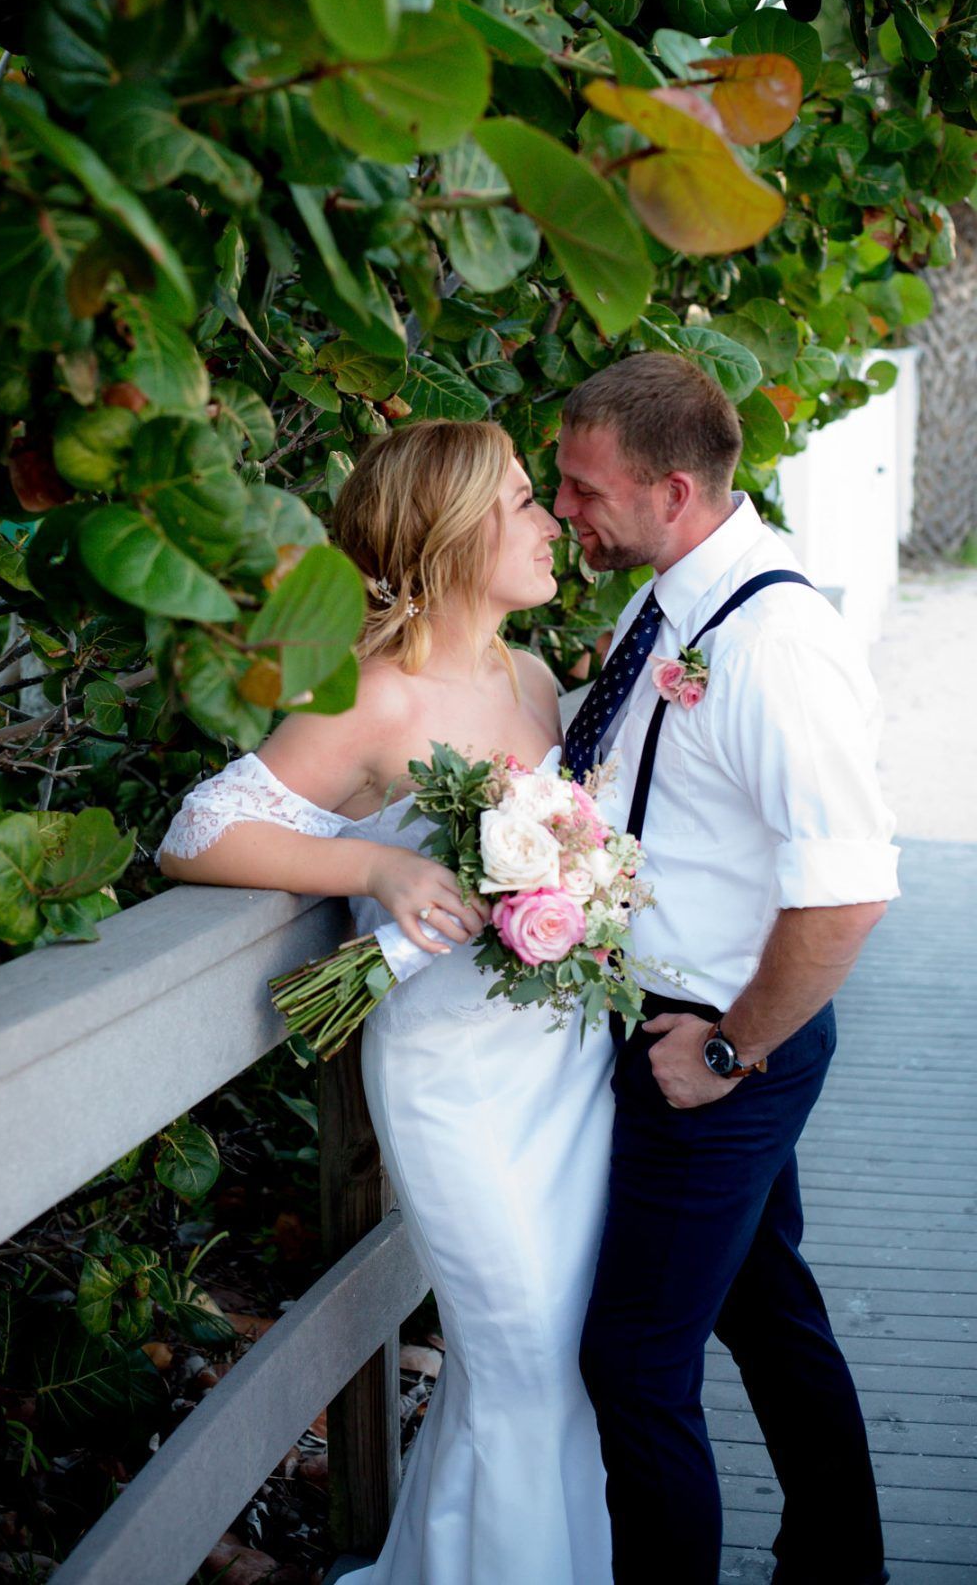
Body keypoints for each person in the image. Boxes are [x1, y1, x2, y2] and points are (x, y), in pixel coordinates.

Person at [157, 419, 615, 1584]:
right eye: (521, 501)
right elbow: (199, 831)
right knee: (515, 1358)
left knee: (544, 1364)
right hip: (451, 1081)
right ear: (455, 533)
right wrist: (376, 868)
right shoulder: (371, 695)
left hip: (566, 1075)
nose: (549, 519)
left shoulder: (535, 678)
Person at [554, 353, 898, 1585]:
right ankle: (841, 1563)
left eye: (586, 491)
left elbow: (849, 888)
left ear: (676, 490)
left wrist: (720, 1051)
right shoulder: (673, 604)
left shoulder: (772, 641)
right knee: (767, 1309)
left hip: (716, 1050)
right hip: (698, 1030)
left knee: (635, 1367)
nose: (564, 511)